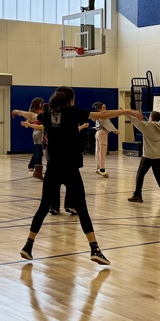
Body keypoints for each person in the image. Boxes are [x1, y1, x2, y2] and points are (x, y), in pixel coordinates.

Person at [15, 87, 141, 264]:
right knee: (82, 209)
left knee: (43, 207)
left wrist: (18, 112)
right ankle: (95, 249)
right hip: (70, 168)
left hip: (52, 168)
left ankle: (28, 246)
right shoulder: (72, 113)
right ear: (70, 100)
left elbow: (32, 116)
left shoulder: (48, 115)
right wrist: (127, 110)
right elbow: (102, 116)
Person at [127, 111, 160, 203]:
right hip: (157, 156)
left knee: (140, 175)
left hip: (147, 155)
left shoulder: (146, 126)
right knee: (158, 174)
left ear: (151, 118)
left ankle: (137, 194)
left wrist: (125, 112)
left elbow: (134, 120)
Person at [13, 98, 46, 179]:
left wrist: (26, 123)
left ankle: (35, 168)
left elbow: (29, 119)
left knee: (37, 150)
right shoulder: (40, 113)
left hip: (34, 132)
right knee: (39, 151)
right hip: (39, 131)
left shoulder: (32, 112)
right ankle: (38, 170)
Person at [92, 102, 119, 177]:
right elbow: (107, 124)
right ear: (99, 109)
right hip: (102, 133)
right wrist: (114, 130)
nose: (105, 109)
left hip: (98, 133)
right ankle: (102, 168)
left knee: (98, 151)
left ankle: (98, 167)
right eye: (103, 108)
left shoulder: (97, 116)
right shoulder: (102, 117)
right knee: (102, 151)